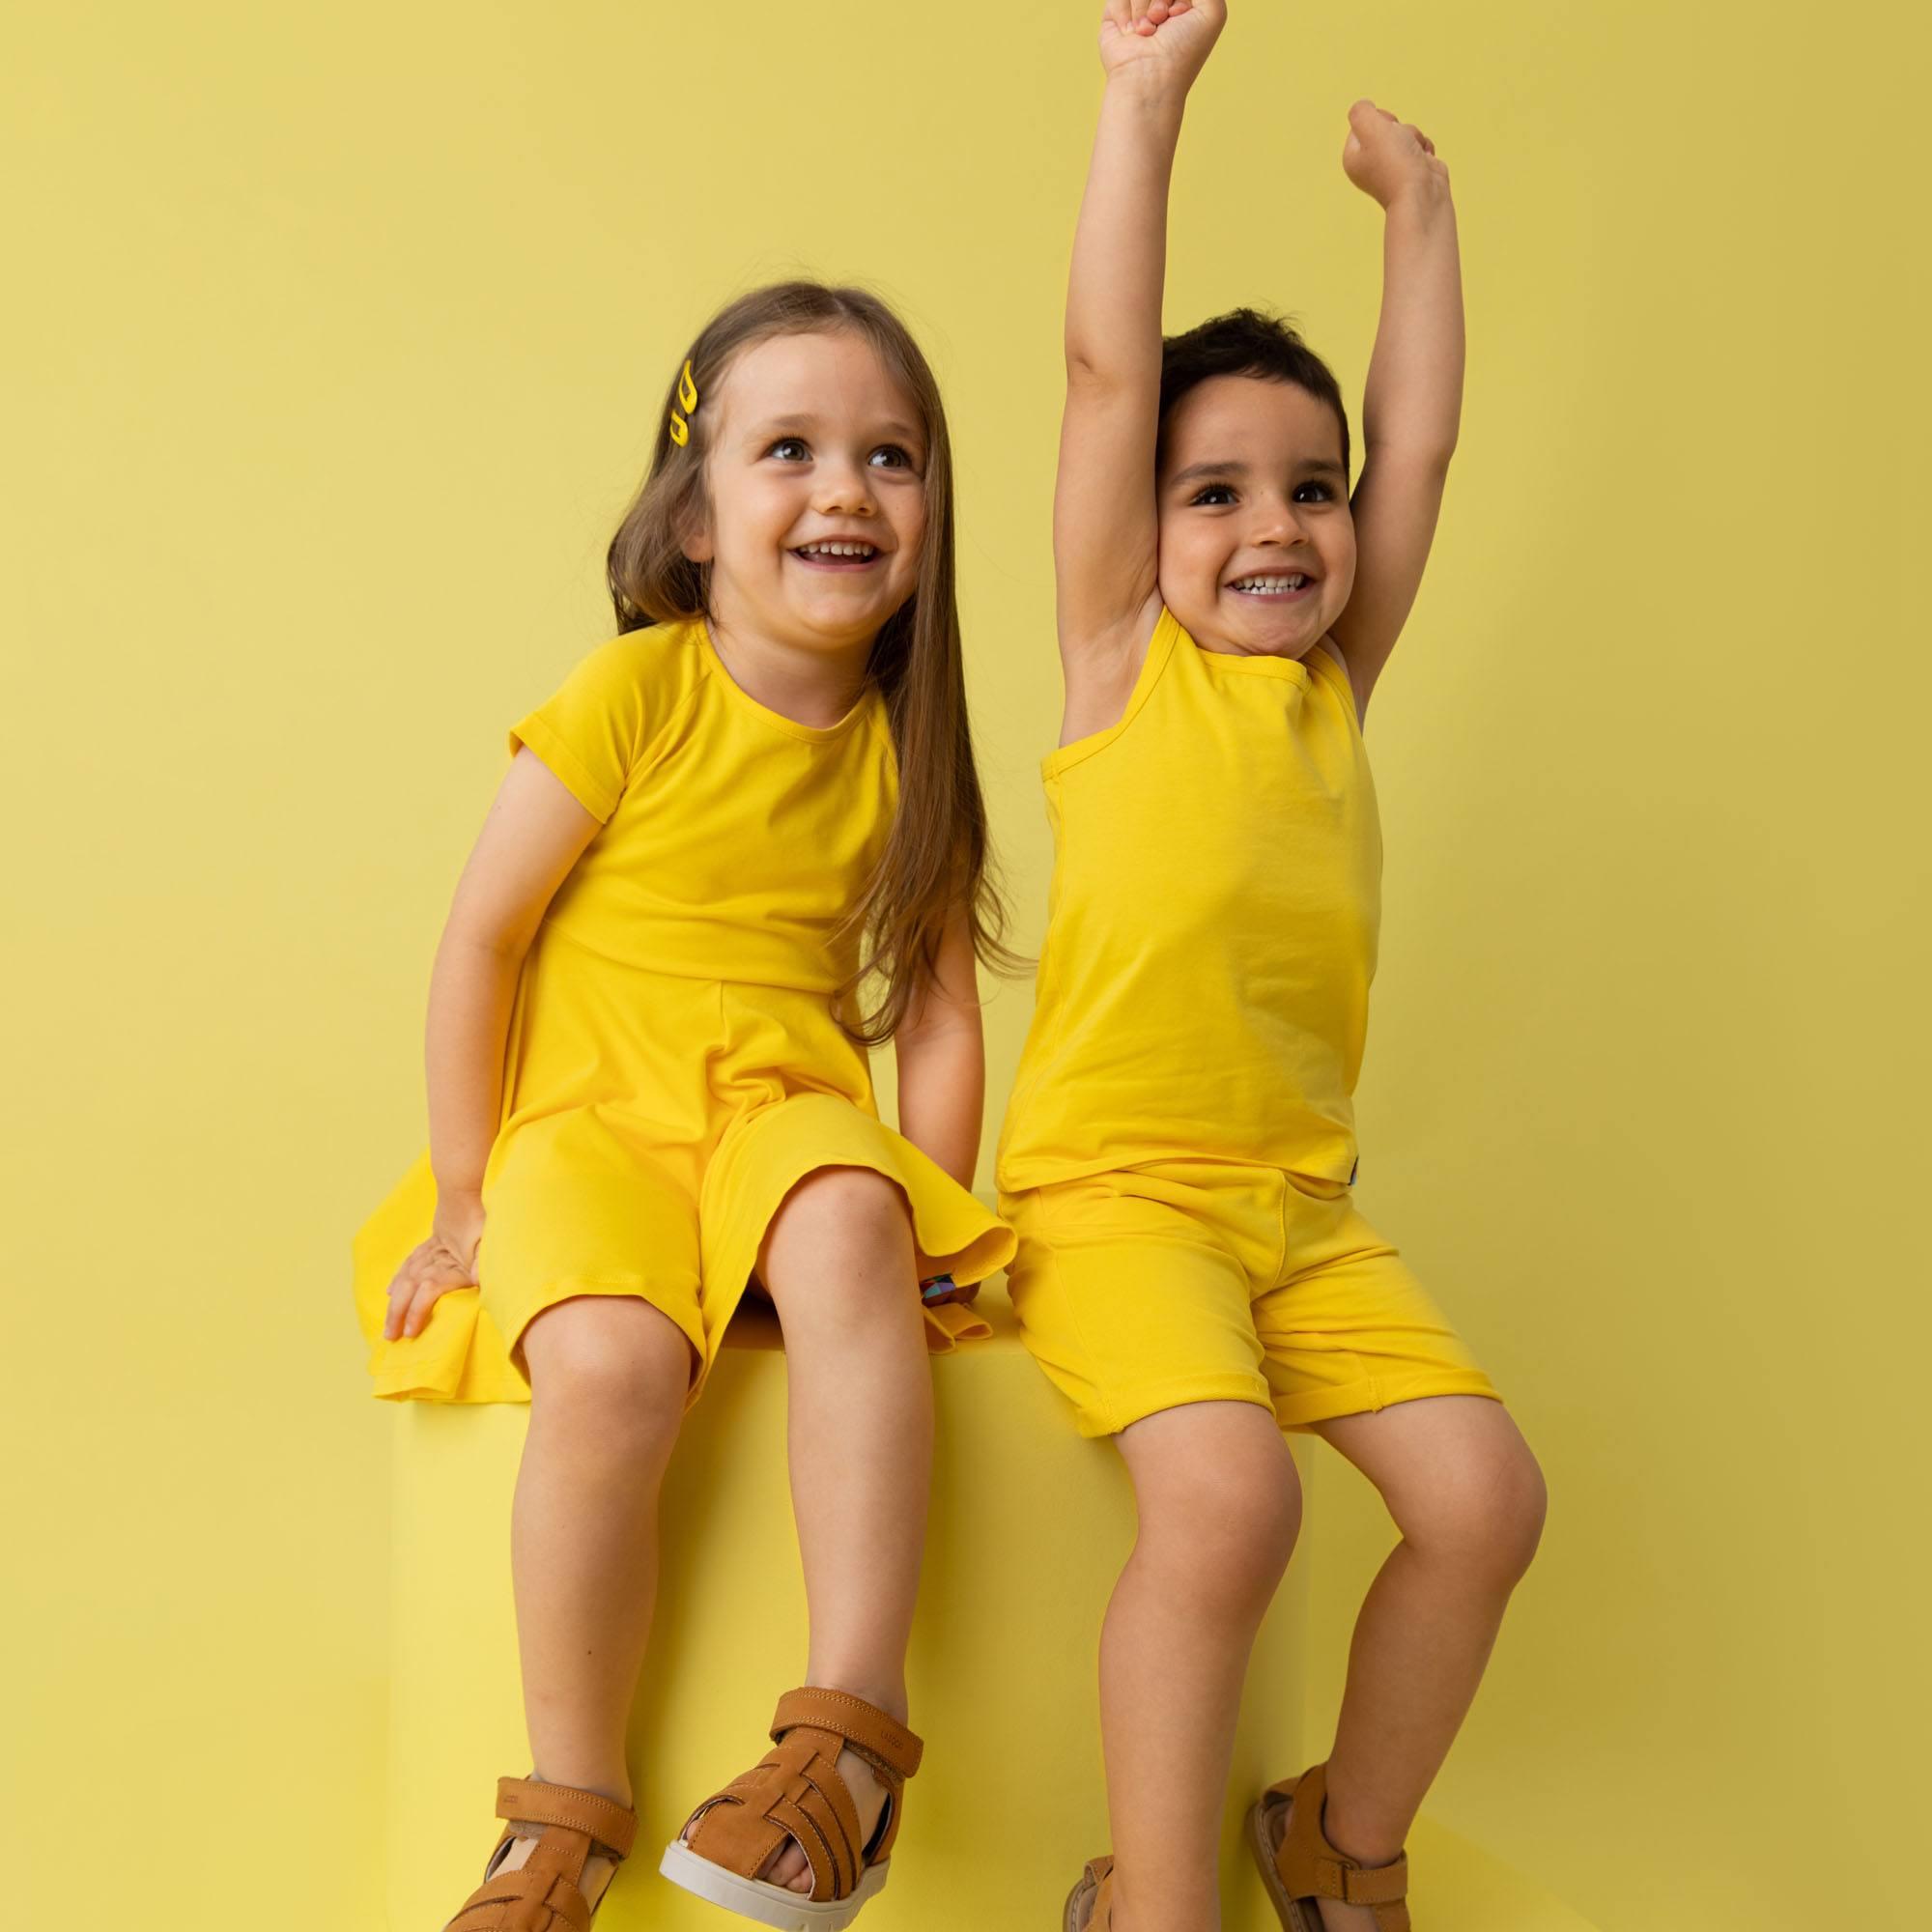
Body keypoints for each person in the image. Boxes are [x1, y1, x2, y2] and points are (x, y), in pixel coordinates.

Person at [352, 278, 1015, 1931]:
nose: (846, 489)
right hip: (588, 1117)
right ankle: (562, 1813)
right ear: (696, 517)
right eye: (789, 449)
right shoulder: (635, 693)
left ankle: (846, 1747)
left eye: (891, 456)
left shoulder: (906, 746)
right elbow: (482, 938)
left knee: (856, 1210)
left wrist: (935, 1218)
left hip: (778, 1111)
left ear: (929, 518)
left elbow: (934, 1016)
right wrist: (460, 1197)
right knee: (607, 1360)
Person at [993, 8, 1548, 1927]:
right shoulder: (1116, 666)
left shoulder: (1329, 684)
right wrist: (1141, 101)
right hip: (1118, 1199)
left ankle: (1339, 1843)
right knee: (1230, 1504)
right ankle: (1150, 1899)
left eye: (1305, 490)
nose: (1276, 526)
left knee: (1486, 1505)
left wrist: (1422, 212)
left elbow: (1425, 439)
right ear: (1137, 525)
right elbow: (1092, 378)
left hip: (1300, 1215)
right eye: (1213, 490)